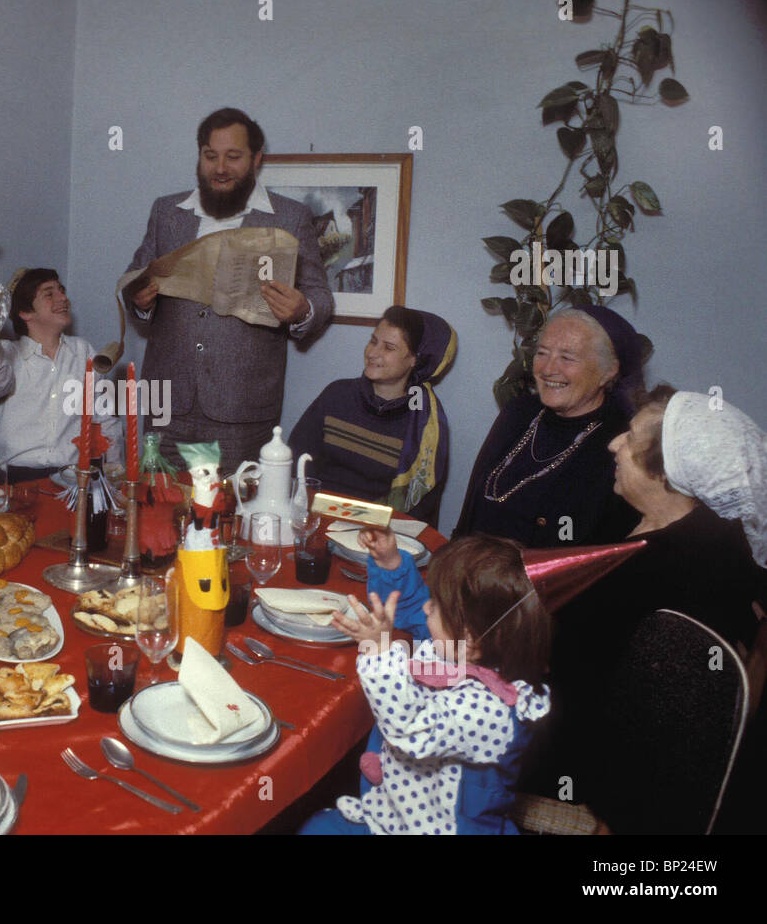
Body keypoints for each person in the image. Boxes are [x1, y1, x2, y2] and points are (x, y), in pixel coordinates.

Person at [523, 385, 767, 831]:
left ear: (668, 474)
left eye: (630, 440)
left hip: (594, 773)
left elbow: (573, 681)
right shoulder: (684, 523)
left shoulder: (657, 571)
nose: (613, 443)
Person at [121, 107, 333, 474]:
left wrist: (302, 310)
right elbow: (136, 276)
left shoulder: (290, 217)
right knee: (161, 514)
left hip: (242, 411)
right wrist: (139, 301)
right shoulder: (167, 213)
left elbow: (320, 295)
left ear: (256, 159)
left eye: (233, 157)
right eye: (210, 156)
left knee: (229, 516)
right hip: (168, 406)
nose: (220, 168)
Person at [300, 532, 552, 834]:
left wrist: (379, 653)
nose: (426, 608)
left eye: (436, 605)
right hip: (392, 812)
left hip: (440, 829)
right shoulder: (458, 648)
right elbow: (412, 607)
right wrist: (392, 566)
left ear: (470, 638)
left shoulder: (492, 710)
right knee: (317, 828)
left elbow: (410, 726)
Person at [454, 305, 642, 547]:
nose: (548, 369)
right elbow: (472, 507)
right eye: (542, 353)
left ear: (608, 371)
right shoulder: (519, 412)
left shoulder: (619, 443)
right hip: (468, 568)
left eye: (567, 357)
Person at [0, 268, 121, 484]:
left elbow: (104, 419)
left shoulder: (84, 351)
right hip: (13, 476)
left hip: (70, 477)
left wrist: (115, 476)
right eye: (49, 294)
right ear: (25, 312)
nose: (63, 298)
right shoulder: (4, 351)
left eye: (62, 290)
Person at [289, 305, 455, 526]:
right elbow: (294, 461)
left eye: (389, 347)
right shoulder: (337, 395)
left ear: (415, 359)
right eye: (373, 341)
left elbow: (419, 509)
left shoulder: (423, 424)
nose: (373, 352)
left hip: (380, 531)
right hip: (317, 518)